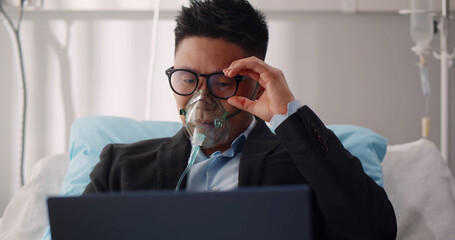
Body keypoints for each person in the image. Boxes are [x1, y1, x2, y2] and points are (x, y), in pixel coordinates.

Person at [83, 0, 397, 239]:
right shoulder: (120, 167)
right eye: (186, 78)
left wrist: (288, 114)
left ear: (256, 83)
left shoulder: (306, 165)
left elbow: (374, 231)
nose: (200, 100)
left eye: (221, 81)